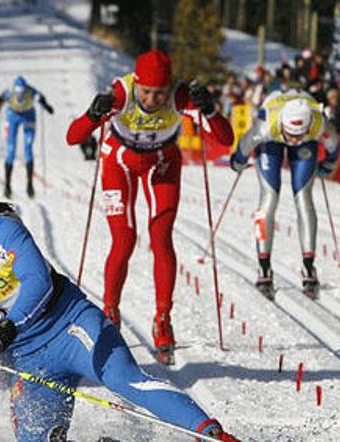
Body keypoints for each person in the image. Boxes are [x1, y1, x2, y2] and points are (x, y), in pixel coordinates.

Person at [0, 192, 240, 442]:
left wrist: (1, 333)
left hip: (71, 326)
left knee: (125, 379)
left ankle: (213, 435)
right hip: (29, 363)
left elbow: (38, 281)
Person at [65, 50, 234, 364]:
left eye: (160, 93)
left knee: (161, 238)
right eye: (146, 92)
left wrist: (210, 110)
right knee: (124, 240)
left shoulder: (179, 96)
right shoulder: (122, 93)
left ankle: (163, 319)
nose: (153, 99)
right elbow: (72, 138)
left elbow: (225, 139)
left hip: (162, 163)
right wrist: (92, 114)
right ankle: (110, 313)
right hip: (119, 163)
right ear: (137, 83)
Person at [230, 89, 339, 300]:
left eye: (299, 136)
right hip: (271, 138)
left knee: (304, 196)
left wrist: (328, 165)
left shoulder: (318, 124)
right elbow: (244, 145)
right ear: (283, 126)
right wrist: (238, 162)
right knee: (269, 197)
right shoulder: (266, 125)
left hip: (307, 136)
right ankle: (264, 267)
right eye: (291, 135)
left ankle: (309, 266)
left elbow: (333, 147)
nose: (294, 141)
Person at [0, 75, 54, 198]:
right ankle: (7, 185)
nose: (20, 95)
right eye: (18, 93)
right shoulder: (10, 92)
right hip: (12, 115)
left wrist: (46, 106)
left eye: (22, 93)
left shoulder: (30, 91)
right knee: (11, 149)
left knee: (28, 147)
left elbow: (40, 97)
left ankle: (29, 185)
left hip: (28, 115)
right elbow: (1, 98)